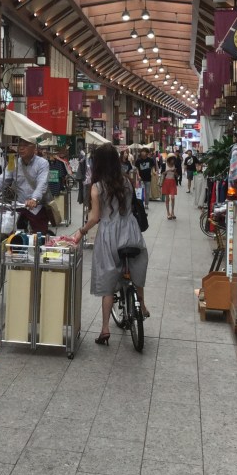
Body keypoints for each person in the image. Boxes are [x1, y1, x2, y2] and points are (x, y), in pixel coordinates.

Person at [68, 143, 149, 341]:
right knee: (135, 268)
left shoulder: (97, 187)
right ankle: (142, 305)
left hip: (108, 236)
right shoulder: (127, 181)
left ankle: (105, 328)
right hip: (130, 231)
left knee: (108, 278)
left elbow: (95, 217)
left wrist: (81, 232)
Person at [0, 136, 51, 233]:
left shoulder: (43, 163)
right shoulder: (13, 162)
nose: (21, 148)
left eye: (25, 145)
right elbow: (3, 179)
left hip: (37, 206)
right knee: (12, 234)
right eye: (19, 145)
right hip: (19, 205)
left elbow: (42, 183)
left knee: (39, 236)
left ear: (34, 147)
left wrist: (34, 199)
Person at [162, 154, 178, 220]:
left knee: (173, 198)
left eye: (173, 159)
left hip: (173, 182)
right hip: (166, 182)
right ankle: (168, 213)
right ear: (169, 159)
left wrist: (175, 172)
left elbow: (177, 176)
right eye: (171, 159)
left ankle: (172, 212)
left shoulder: (175, 165)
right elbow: (162, 173)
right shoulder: (164, 165)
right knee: (167, 198)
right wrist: (168, 171)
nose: (172, 161)